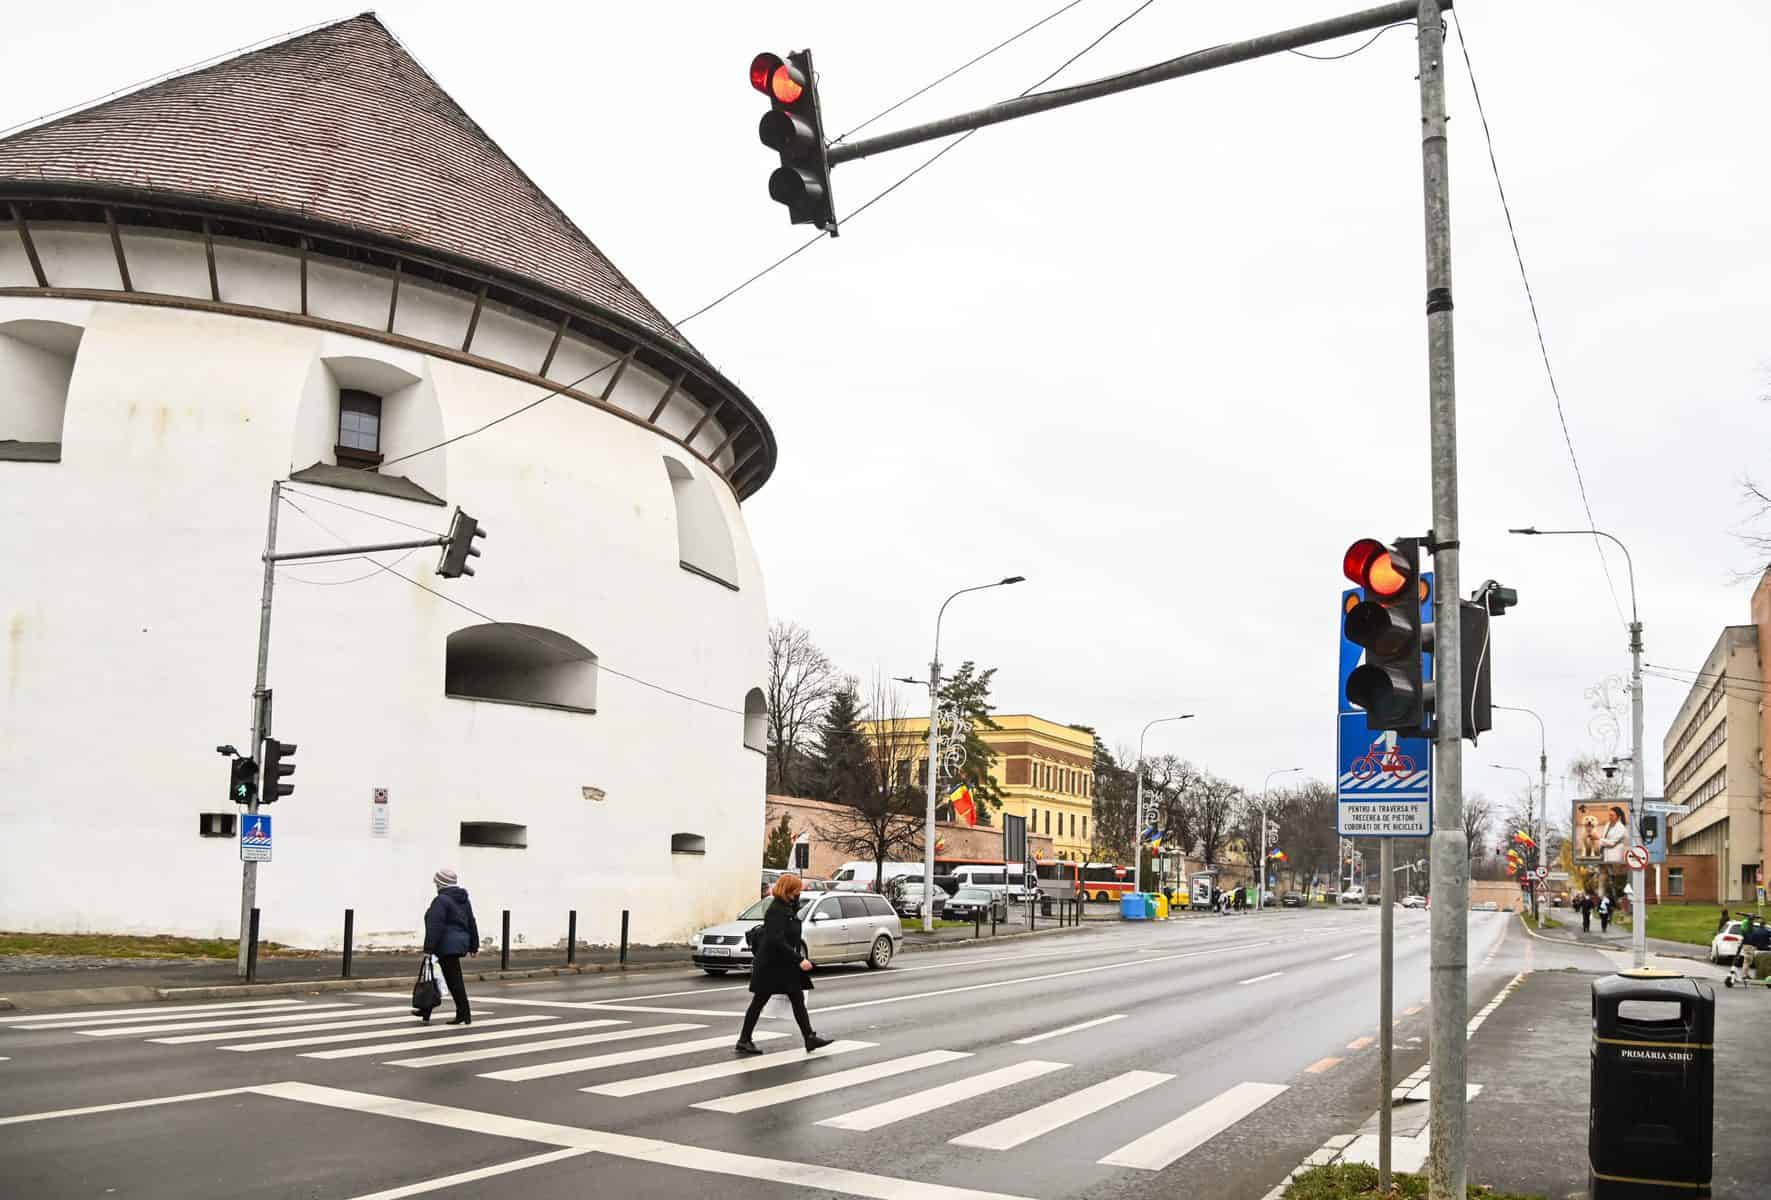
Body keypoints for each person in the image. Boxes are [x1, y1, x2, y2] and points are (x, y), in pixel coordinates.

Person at [736, 874, 832, 1055]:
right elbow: (775, 940)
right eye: (797, 889)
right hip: (771, 965)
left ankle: (809, 1037)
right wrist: (799, 959)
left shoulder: (786, 906)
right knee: (759, 1001)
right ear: (789, 889)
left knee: (797, 1000)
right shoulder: (776, 909)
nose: (800, 891)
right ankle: (744, 1040)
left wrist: (794, 904)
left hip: (784, 965)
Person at [420, 867, 479, 1025]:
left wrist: (428, 949)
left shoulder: (441, 900)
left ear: (441, 883)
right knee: (433, 975)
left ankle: (464, 1013)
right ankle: (425, 1010)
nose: (435, 885)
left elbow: (435, 926)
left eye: (436, 882)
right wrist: (474, 945)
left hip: (445, 945)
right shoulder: (463, 900)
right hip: (458, 943)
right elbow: (471, 921)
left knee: (451, 980)